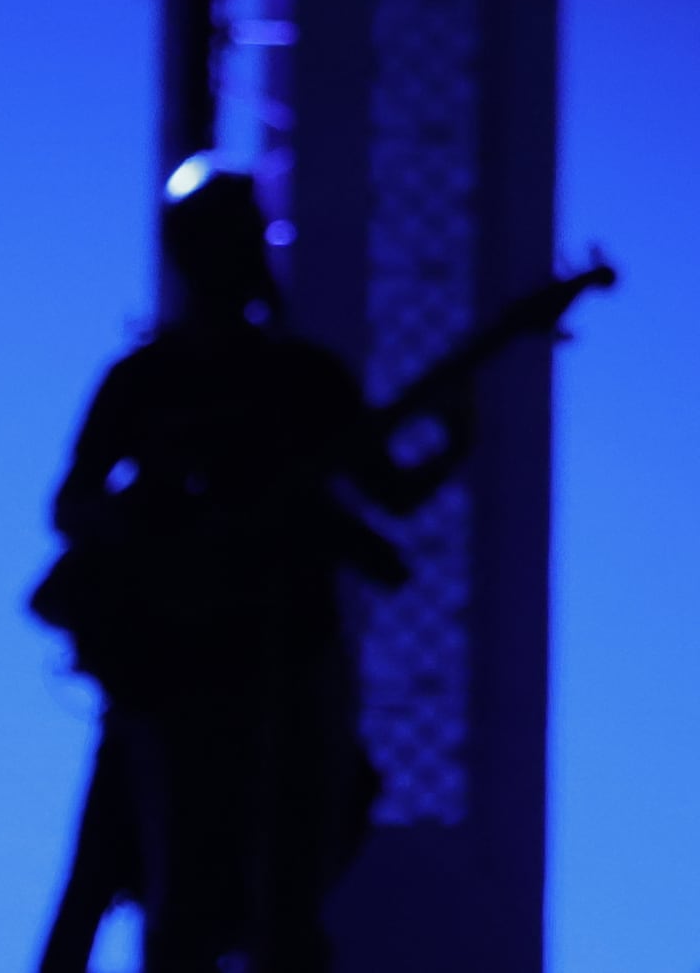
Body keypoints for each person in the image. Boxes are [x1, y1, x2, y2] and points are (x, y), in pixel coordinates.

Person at [33, 165, 481, 973]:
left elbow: (388, 490)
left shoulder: (303, 379)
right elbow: (72, 503)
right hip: (175, 679)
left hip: (283, 664)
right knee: (157, 900)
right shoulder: (146, 379)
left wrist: (453, 439)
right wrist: (164, 512)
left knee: (281, 905)